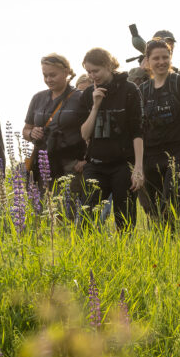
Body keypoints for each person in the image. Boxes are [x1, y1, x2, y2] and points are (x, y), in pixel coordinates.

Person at [77, 47, 145, 231]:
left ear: (108, 66)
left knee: (125, 219)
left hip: (123, 163)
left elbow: (137, 131)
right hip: (96, 164)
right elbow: (84, 134)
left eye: (95, 71)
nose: (92, 76)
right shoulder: (86, 95)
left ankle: (125, 255)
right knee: (85, 217)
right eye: (88, 72)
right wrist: (95, 106)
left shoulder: (129, 90)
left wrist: (138, 168)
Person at [138, 39, 180, 223]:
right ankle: (163, 247)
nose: (161, 62)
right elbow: (140, 128)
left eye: (165, 57)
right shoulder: (143, 90)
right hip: (151, 156)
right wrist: (139, 163)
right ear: (147, 61)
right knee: (154, 210)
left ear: (171, 58)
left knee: (170, 205)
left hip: (179, 154)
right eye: (156, 58)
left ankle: (175, 246)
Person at [22, 54, 86, 188]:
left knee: (70, 208)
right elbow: (25, 130)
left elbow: (91, 132)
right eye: (45, 75)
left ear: (66, 72)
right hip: (43, 164)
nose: (48, 79)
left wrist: (86, 160)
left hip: (71, 165)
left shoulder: (80, 98)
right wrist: (32, 133)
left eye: (53, 75)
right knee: (42, 207)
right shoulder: (38, 98)